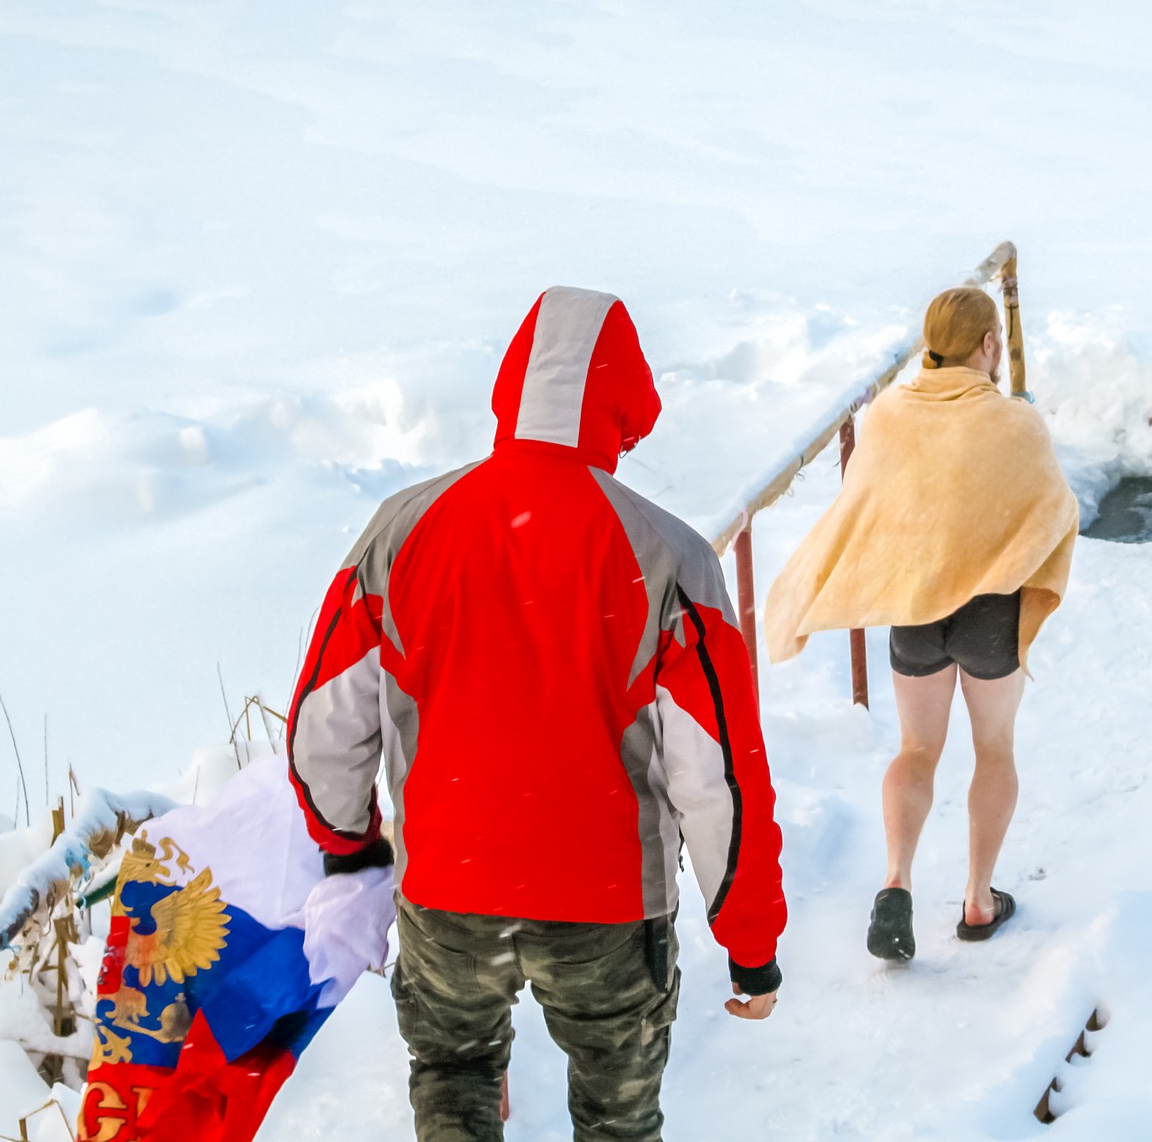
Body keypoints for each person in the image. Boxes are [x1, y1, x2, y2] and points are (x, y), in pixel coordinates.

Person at [284, 287, 786, 1142]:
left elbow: (325, 726)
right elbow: (715, 776)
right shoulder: (671, 557)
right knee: (617, 1120)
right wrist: (749, 937)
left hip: (446, 891)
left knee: (452, 1080)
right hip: (610, 910)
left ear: (511, 385)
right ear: (622, 407)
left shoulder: (401, 530)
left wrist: (351, 848)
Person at [763, 286, 1077, 962]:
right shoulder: (1015, 422)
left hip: (915, 608)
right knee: (994, 748)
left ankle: (897, 881)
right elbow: (1053, 510)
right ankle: (977, 899)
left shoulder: (891, 416)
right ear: (990, 346)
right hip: (990, 610)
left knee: (916, 749)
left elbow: (867, 505)